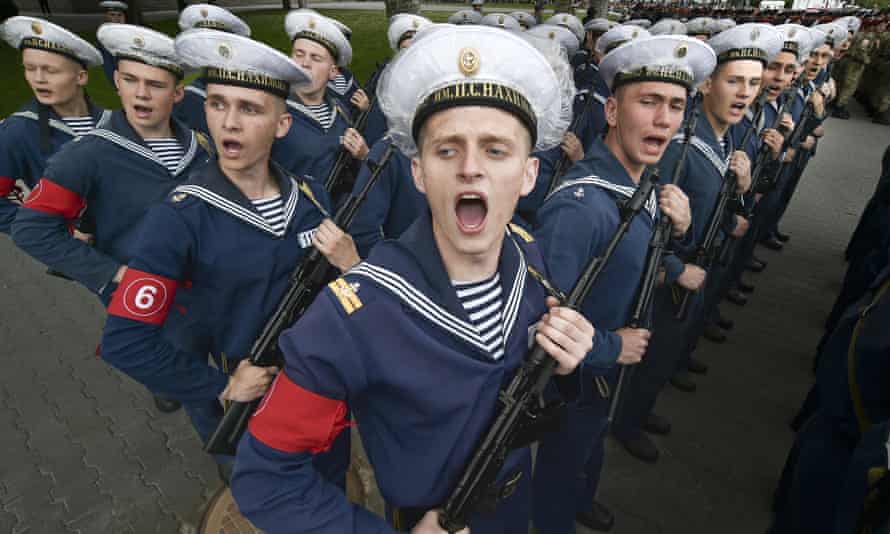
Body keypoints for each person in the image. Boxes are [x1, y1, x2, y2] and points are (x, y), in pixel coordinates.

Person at [232, 25, 593, 534]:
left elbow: (521, 384)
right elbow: (264, 479)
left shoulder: (527, 253)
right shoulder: (352, 313)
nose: (472, 169)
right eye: (447, 150)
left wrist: (563, 362)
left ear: (529, 174)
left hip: (514, 507)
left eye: (496, 150)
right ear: (419, 172)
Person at [98, 29, 357, 482]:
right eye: (217, 104)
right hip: (263, 407)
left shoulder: (311, 196)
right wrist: (220, 386)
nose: (229, 123)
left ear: (282, 124)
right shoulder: (180, 216)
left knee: (333, 487)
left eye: (250, 108)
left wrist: (352, 267)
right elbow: (126, 341)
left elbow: (339, 294)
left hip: (328, 389)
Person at [532, 34, 707, 534]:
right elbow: (542, 322)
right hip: (578, 379)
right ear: (611, 111)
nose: (664, 119)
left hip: (608, 372)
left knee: (588, 451)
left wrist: (681, 232)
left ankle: (580, 499)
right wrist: (612, 347)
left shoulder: (639, 181)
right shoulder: (581, 207)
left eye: (675, 105)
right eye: (648, 102)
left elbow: (635, 261)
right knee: (558, 474)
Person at [11, 23, 207, 415]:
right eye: (131, 80)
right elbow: (30, 229)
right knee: (196, 390)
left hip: (207, 287)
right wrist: (114, 275)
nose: (141, 94)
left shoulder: (198, 144)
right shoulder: (88, 154)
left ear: (178, 93)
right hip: (154, 298)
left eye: (155, 83)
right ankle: (226, 457)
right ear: (116, 82)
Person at [612, 23, 778, 463]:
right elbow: (638, 222)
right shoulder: (679, 146)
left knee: (667, 353)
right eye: (734, 80)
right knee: (649, 356)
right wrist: (675, 267)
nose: (745, 92)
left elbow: (717, 204)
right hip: (667, 277)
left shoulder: (726, 137)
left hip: (699, 266)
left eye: (753, 83)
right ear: (708, 84)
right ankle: (625, 423)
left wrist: (742, 189)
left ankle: (639, 410)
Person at [0, 16, 109, 234]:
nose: (38, 79)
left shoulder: (111, 121)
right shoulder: (17, 130)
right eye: (30, 68)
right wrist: (57, 234)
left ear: (81, 77)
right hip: (84, 258)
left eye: (50, 70)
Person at [275, 10, 369, 203]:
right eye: (299, 54)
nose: (305, 64)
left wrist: (363, 156)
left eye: (316, 58)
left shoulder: (340, 112)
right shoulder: (273, 112)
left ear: (333, 71)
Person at [171, 3, 252, 136]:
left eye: (218, 43)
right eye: (203, 44)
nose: (210, 51)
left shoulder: (254, 89)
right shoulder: (186, 100)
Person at [97, 1, 127, 83]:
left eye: (120, 15)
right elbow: (108, 64)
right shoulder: (104, 36)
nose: (117, 19)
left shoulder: (129, 32)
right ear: (106, 17)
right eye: (112, 15)